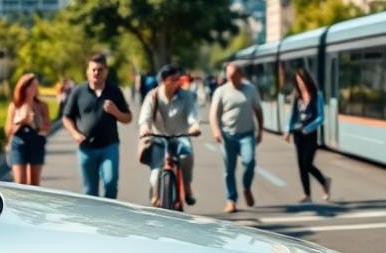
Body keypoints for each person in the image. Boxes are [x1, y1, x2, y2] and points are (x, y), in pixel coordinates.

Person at [62, 53, 133, 198]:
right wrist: (75, 133)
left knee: (110, 183)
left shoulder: (113, 90)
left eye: (100, 69)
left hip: (109, 146)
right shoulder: (78, 91)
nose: (96, 73)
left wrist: (116, 112)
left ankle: (109, 218)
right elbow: (66, 117)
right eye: (93, 69)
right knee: (89, 192)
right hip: (86, 149)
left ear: (106, 71)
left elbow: (128, 118)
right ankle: (93, 220)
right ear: (87, 71)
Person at [139, 64, 202, 207]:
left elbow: (193, 114)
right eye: (173, 79)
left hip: (181, 137)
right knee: (155, 173)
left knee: (186, 156)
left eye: (178, 79)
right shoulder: (153, 95)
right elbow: (145, 117)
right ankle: (155, 197)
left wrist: (194, 125)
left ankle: (186, 186)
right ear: (163, 81)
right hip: (158, 138)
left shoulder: (187, 96)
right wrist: (144, 128)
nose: (178, 82)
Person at [209, 62, 263, 213]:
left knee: (249, 162)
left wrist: (260, 131)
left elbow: (258, 109)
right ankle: (231, 199)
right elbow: (213, 114)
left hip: (247, 134)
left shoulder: (250, 89)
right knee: (229, 169)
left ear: (241, 75)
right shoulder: (221, 91)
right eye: (228, 76)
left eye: (233, 76)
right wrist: (216, 131)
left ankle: (246, 187)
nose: (230, 79)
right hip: (228, 136)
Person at [284, 67, 331, 203]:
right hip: (298, 135)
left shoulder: (317, 95)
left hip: (310, 135)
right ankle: (307, 194)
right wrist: (288, 130)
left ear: (307, 80)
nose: (300, 83)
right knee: (301, 165)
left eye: (302, 80)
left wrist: (309, 128)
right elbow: (292, 115)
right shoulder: (296, 96)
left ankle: (324, 181)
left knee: (307, 163)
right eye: (297, 81)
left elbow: (321, 117)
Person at [6, 73, 51, 186]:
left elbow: (47, 128)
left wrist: (36, 123)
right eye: (32, 86)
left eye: (36, 86)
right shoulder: (15, 106)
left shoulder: (42, 106)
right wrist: (21, 121)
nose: (35, 89)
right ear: (24, 87)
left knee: (34, 184)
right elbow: (8, 131)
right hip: (19, 144)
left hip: (37, 143)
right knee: (20, 183)